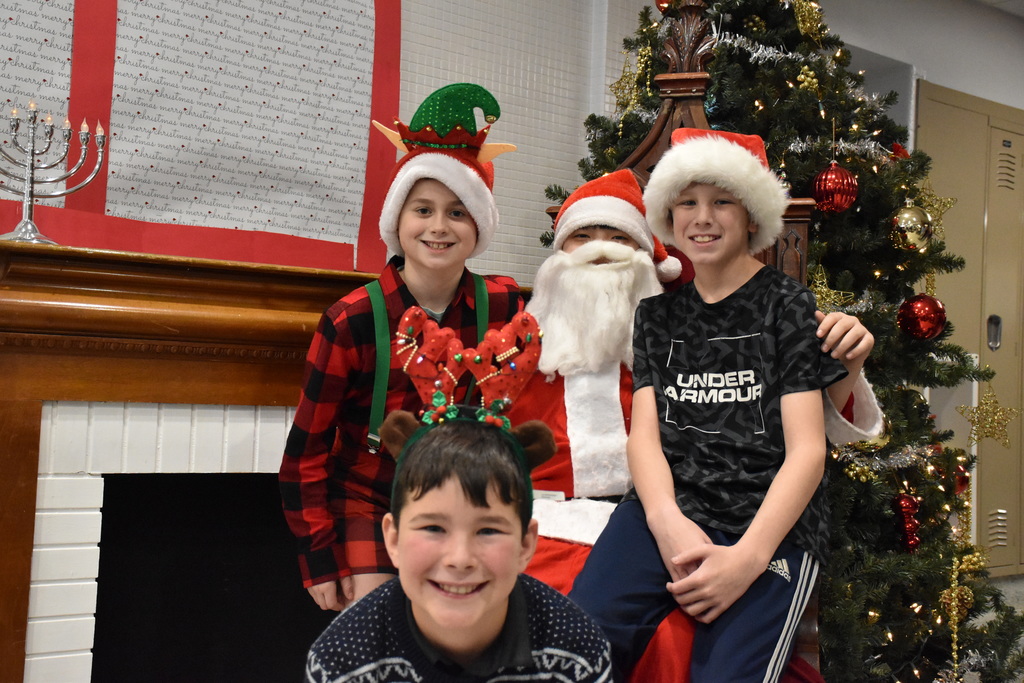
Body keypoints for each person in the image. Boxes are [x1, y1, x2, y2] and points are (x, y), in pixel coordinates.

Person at [565, 128, 861, 682]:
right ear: (669, 217)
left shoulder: (787, 306)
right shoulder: (657, 316)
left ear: (751, 215)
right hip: (669, 509)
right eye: (688, 203)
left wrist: (748, 560)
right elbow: (645, 439)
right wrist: (666, 521)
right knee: (580, 640)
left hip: (766, 524)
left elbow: (806, 452)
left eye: (721, 200)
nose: (703, 217)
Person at [279, 83, 523, 612]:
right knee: (377, 631)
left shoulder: (505, 306)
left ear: (478, 225)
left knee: (462, 632)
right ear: (398, 220)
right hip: (369, 499)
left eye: (458, 212)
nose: (439, 227)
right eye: (423, 210)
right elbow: (305, 456)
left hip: (467, 499)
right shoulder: (352, 320)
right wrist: (321, 558)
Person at [304, 345, 613, 682]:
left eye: (488, 531)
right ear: (392, 539)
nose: (460, 559)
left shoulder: (577, 650)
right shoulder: (342, 660)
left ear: (526, 545)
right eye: (434, 528)